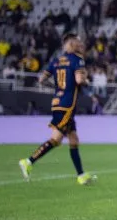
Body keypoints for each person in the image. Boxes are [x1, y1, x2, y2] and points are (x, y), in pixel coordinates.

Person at [18, 33, 95, 185]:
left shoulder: (55, 61)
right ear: (71, 44)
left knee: (74, 139)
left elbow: (41, 79)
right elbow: (79, 80)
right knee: (56, 139)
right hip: (67, 104)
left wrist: (59, 88)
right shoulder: (77, 59)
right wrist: (86, 80)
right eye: (77, 43)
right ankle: (28, 161)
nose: (80, 45)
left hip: (57, 101)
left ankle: (81, 175)